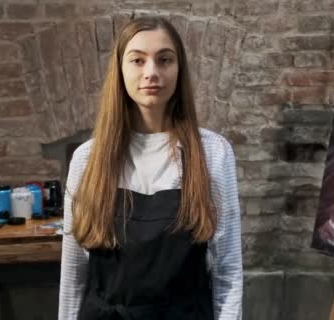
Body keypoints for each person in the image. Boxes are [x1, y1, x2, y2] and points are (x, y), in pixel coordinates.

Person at [58, 16, 243, 320]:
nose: (152, 72)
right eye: (138, 60)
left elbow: (228, 271)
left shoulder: (212, 153)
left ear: (179, 69)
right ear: (120, 70)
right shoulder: (87, 159)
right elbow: (73, 273)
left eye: (164, 59)